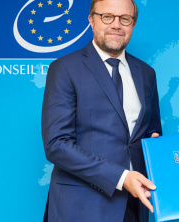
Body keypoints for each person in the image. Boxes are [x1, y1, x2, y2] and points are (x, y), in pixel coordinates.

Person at [41, 0, 162, 221]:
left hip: (135, 206)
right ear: (91, 20)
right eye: (107, 16)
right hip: (80, 207)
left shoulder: (146, 73)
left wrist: (178, 149)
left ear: (132, 24)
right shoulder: (65, 68)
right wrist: (121, 177)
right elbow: (56, 145)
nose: (117, 24)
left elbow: (152, 134)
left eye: (125, 19)